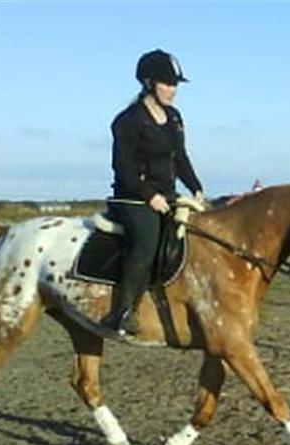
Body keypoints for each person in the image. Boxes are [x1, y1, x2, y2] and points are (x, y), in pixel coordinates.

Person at [100, 49, 205, 336]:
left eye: (175, 85)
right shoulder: (128, 121)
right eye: (167, 84)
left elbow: (179, 157)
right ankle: (122, 312)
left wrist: (196, 187)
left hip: (167, 195)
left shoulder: (174, 117)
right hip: (133, 198)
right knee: (147, 243)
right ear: (149, 83)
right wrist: (149, 196)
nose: (173, 90)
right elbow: (122, 167)